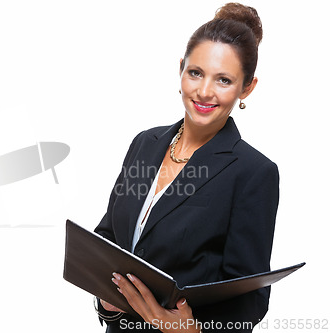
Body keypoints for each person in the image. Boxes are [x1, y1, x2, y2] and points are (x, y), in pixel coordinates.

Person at [94, 3, 278, 333]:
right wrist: (107, 300)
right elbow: (110, 236)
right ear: (181, 70)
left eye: (223, 80)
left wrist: (193, 330)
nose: (204, 91)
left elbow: (251, 298)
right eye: (196, 72)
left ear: (246, 88)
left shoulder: (253, 172)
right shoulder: (144, 144)